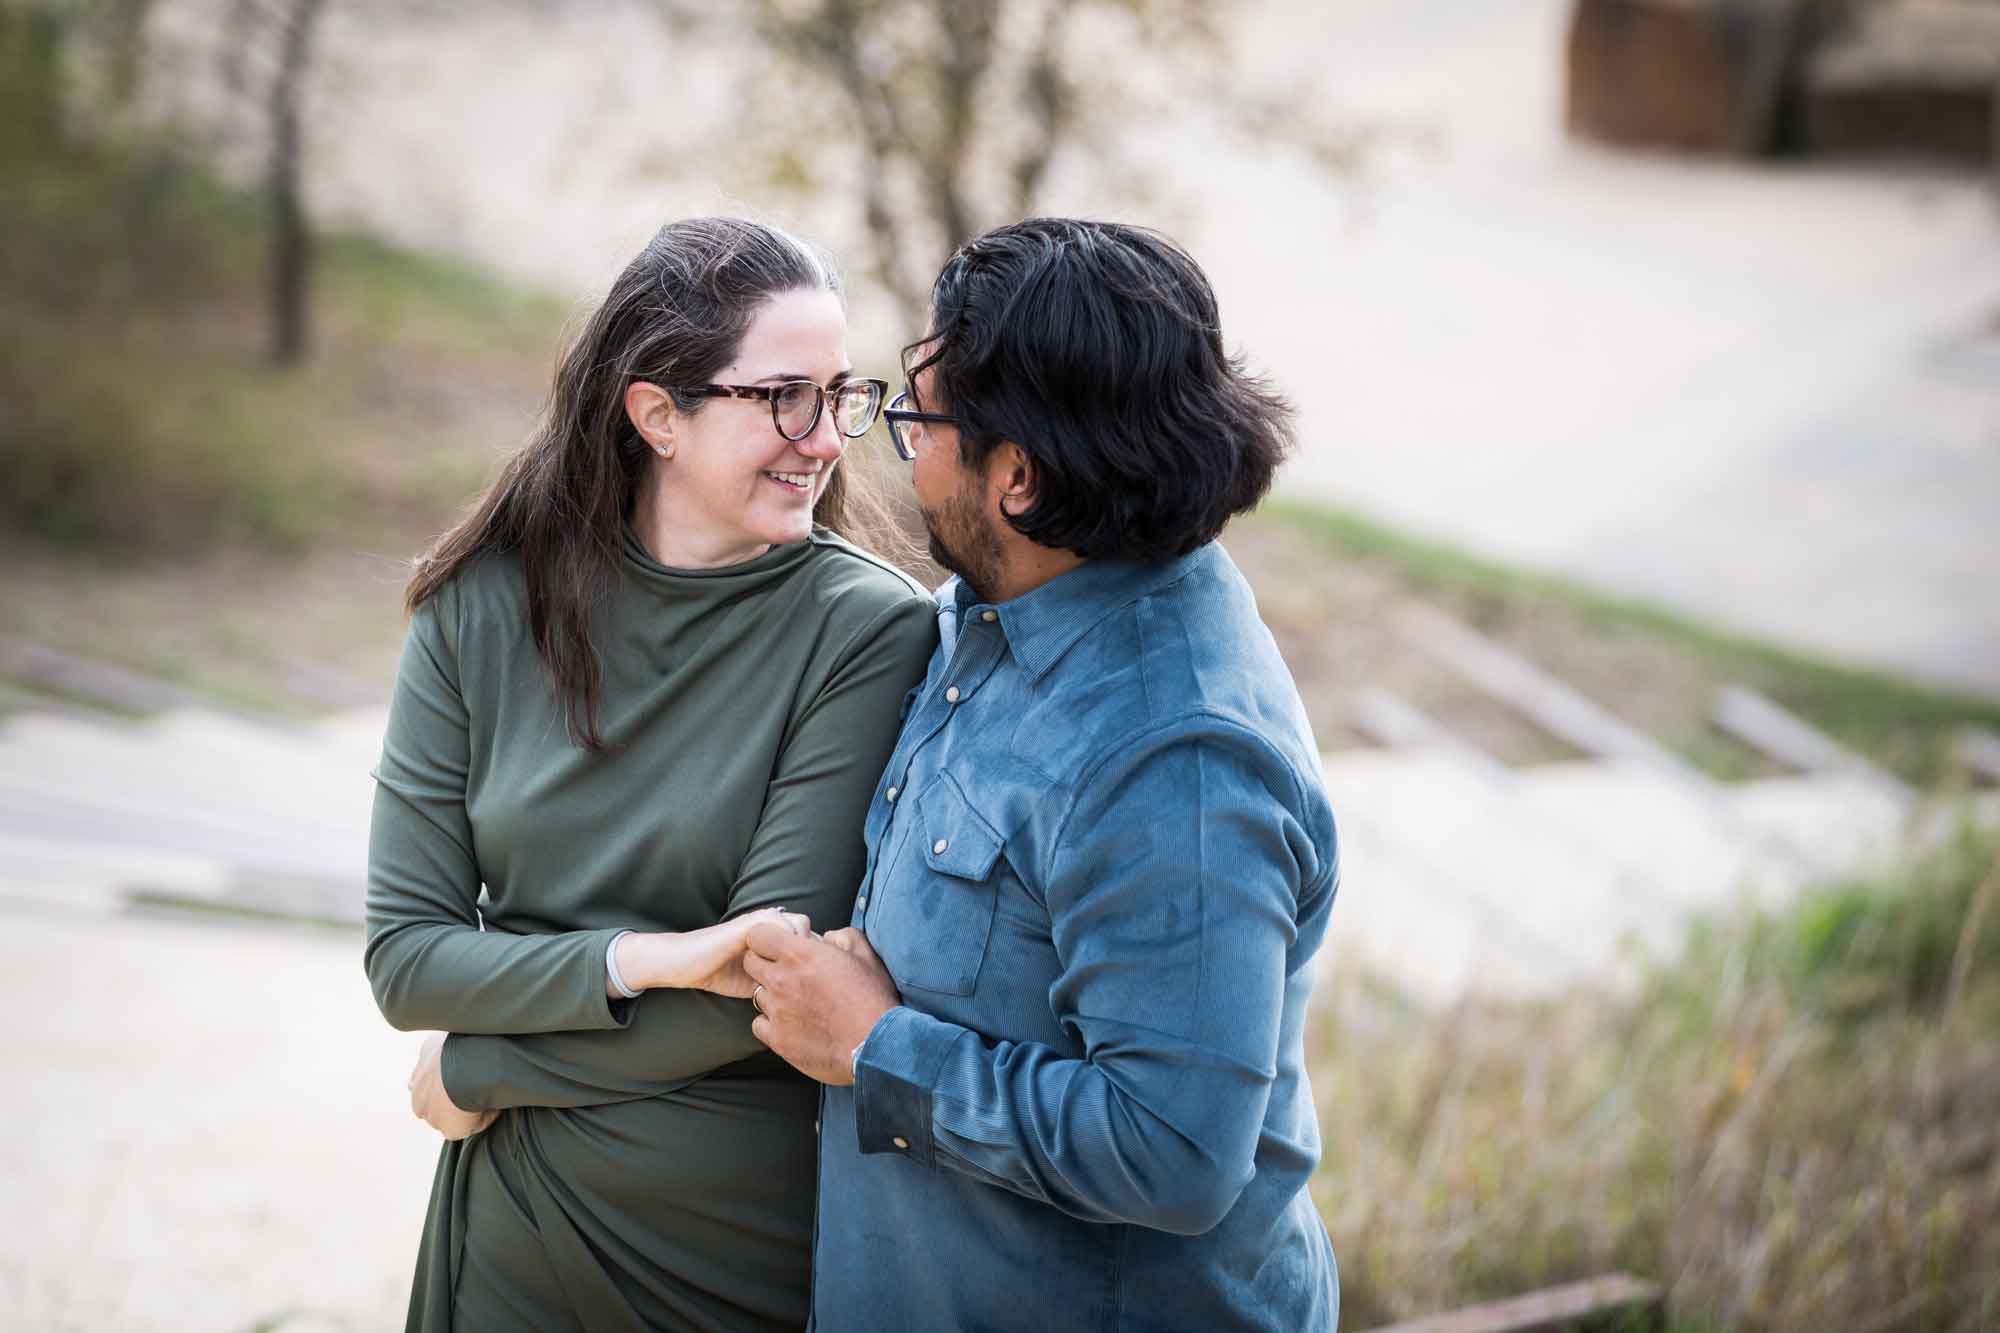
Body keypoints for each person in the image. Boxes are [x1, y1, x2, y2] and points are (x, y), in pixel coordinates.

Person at [741, 217, 1342, 1331]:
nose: (892, 447)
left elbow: (1171, 1151)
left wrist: (874, 1046)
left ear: (1015, 476)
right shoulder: (1004, 608)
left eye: (919, 417)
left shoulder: (1179, 764)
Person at [362, 216, 936, 1332]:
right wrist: (652, 958)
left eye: (839, 395)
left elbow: (764, 996)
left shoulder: (867, 630)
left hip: (730, 1234)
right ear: (656, 413)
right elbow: (407, 961)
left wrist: (480, 1066)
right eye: (783, 396)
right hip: (512, 1232)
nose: (824, 438)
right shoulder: (478, 608)